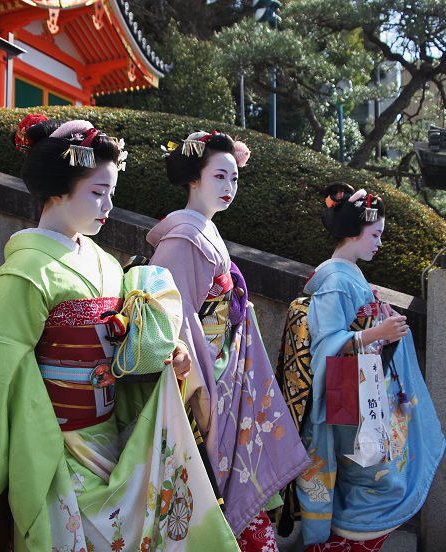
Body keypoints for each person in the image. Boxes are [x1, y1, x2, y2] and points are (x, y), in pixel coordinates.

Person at [0, 115, 240, 552]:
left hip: (113, 432)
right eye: (99, 193)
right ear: (58, 191)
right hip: (53, 442)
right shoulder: (26, 272)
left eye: (112, 194)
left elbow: (132, 333)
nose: (109, 207)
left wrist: (169, 351)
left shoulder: (103, 263)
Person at [147, 131, 311, 551]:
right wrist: (201, 391)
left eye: (234, 179)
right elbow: (176, 322)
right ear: (194, 180)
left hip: (226, 375)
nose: (229, 188)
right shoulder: (183, 239)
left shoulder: (204, 232)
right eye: (219, 176)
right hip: (204, 381)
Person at [294, 182, 446, 552]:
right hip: (347, 386)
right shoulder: (335, 279)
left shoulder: (348, 274)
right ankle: (347, 540)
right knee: (370, 473)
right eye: (375, 234)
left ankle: (350, 537)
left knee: (373, 468)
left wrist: (382, 327)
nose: (379, 242)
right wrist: (378, 330)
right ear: (353, 233)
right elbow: (326, 341)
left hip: (360, 384)